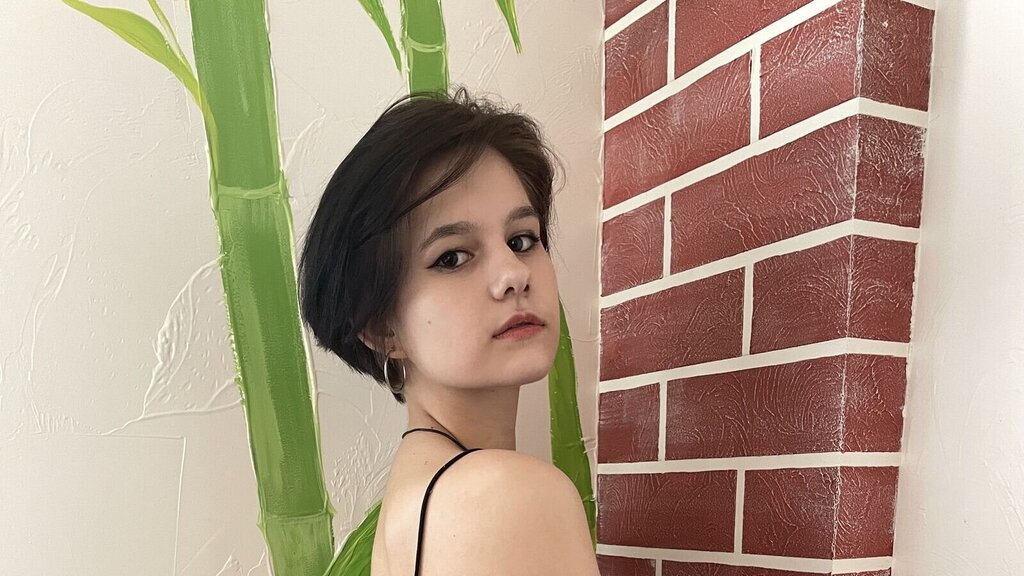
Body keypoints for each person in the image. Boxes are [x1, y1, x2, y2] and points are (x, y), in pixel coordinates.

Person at [297, 86, 600, 576]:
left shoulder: (417, 495)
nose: (513, 274)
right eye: (453, 257)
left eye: (522, 240)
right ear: (381, 327)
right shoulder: (504, 497)